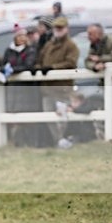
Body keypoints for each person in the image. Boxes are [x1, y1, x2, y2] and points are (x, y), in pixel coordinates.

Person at [35, 16, 79, 147]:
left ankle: (63, 140)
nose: (58, 30)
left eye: (60, 28)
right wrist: (38, 68)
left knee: (62, 117)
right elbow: (40, 59)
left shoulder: (71, 46)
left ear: (66, 29)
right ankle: (59, 141)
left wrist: (53, 68)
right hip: (47, 89)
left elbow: (71, 62)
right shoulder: (49, 44)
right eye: (56, 28)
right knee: (49, 116)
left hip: (62, 89)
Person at [85, 23, 112, 137]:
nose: (88, 36)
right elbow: (87, 61)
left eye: (90, 33)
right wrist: (95, 67)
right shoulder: (94, 45)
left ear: (99, 33)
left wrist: (100, 60)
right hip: (107, 86)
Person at [1, 27, 39, 146]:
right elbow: (3, 64)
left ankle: (30, 142)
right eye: (19, 36)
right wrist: (6, 70)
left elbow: (28, 65)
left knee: (27, 116)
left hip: (25, 88)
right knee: (13, 115)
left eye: (24, 35)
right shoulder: (9, 51)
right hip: (12, 88)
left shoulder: (30, 50)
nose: (22, 38)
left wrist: (14, 70)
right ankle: (16, 141)